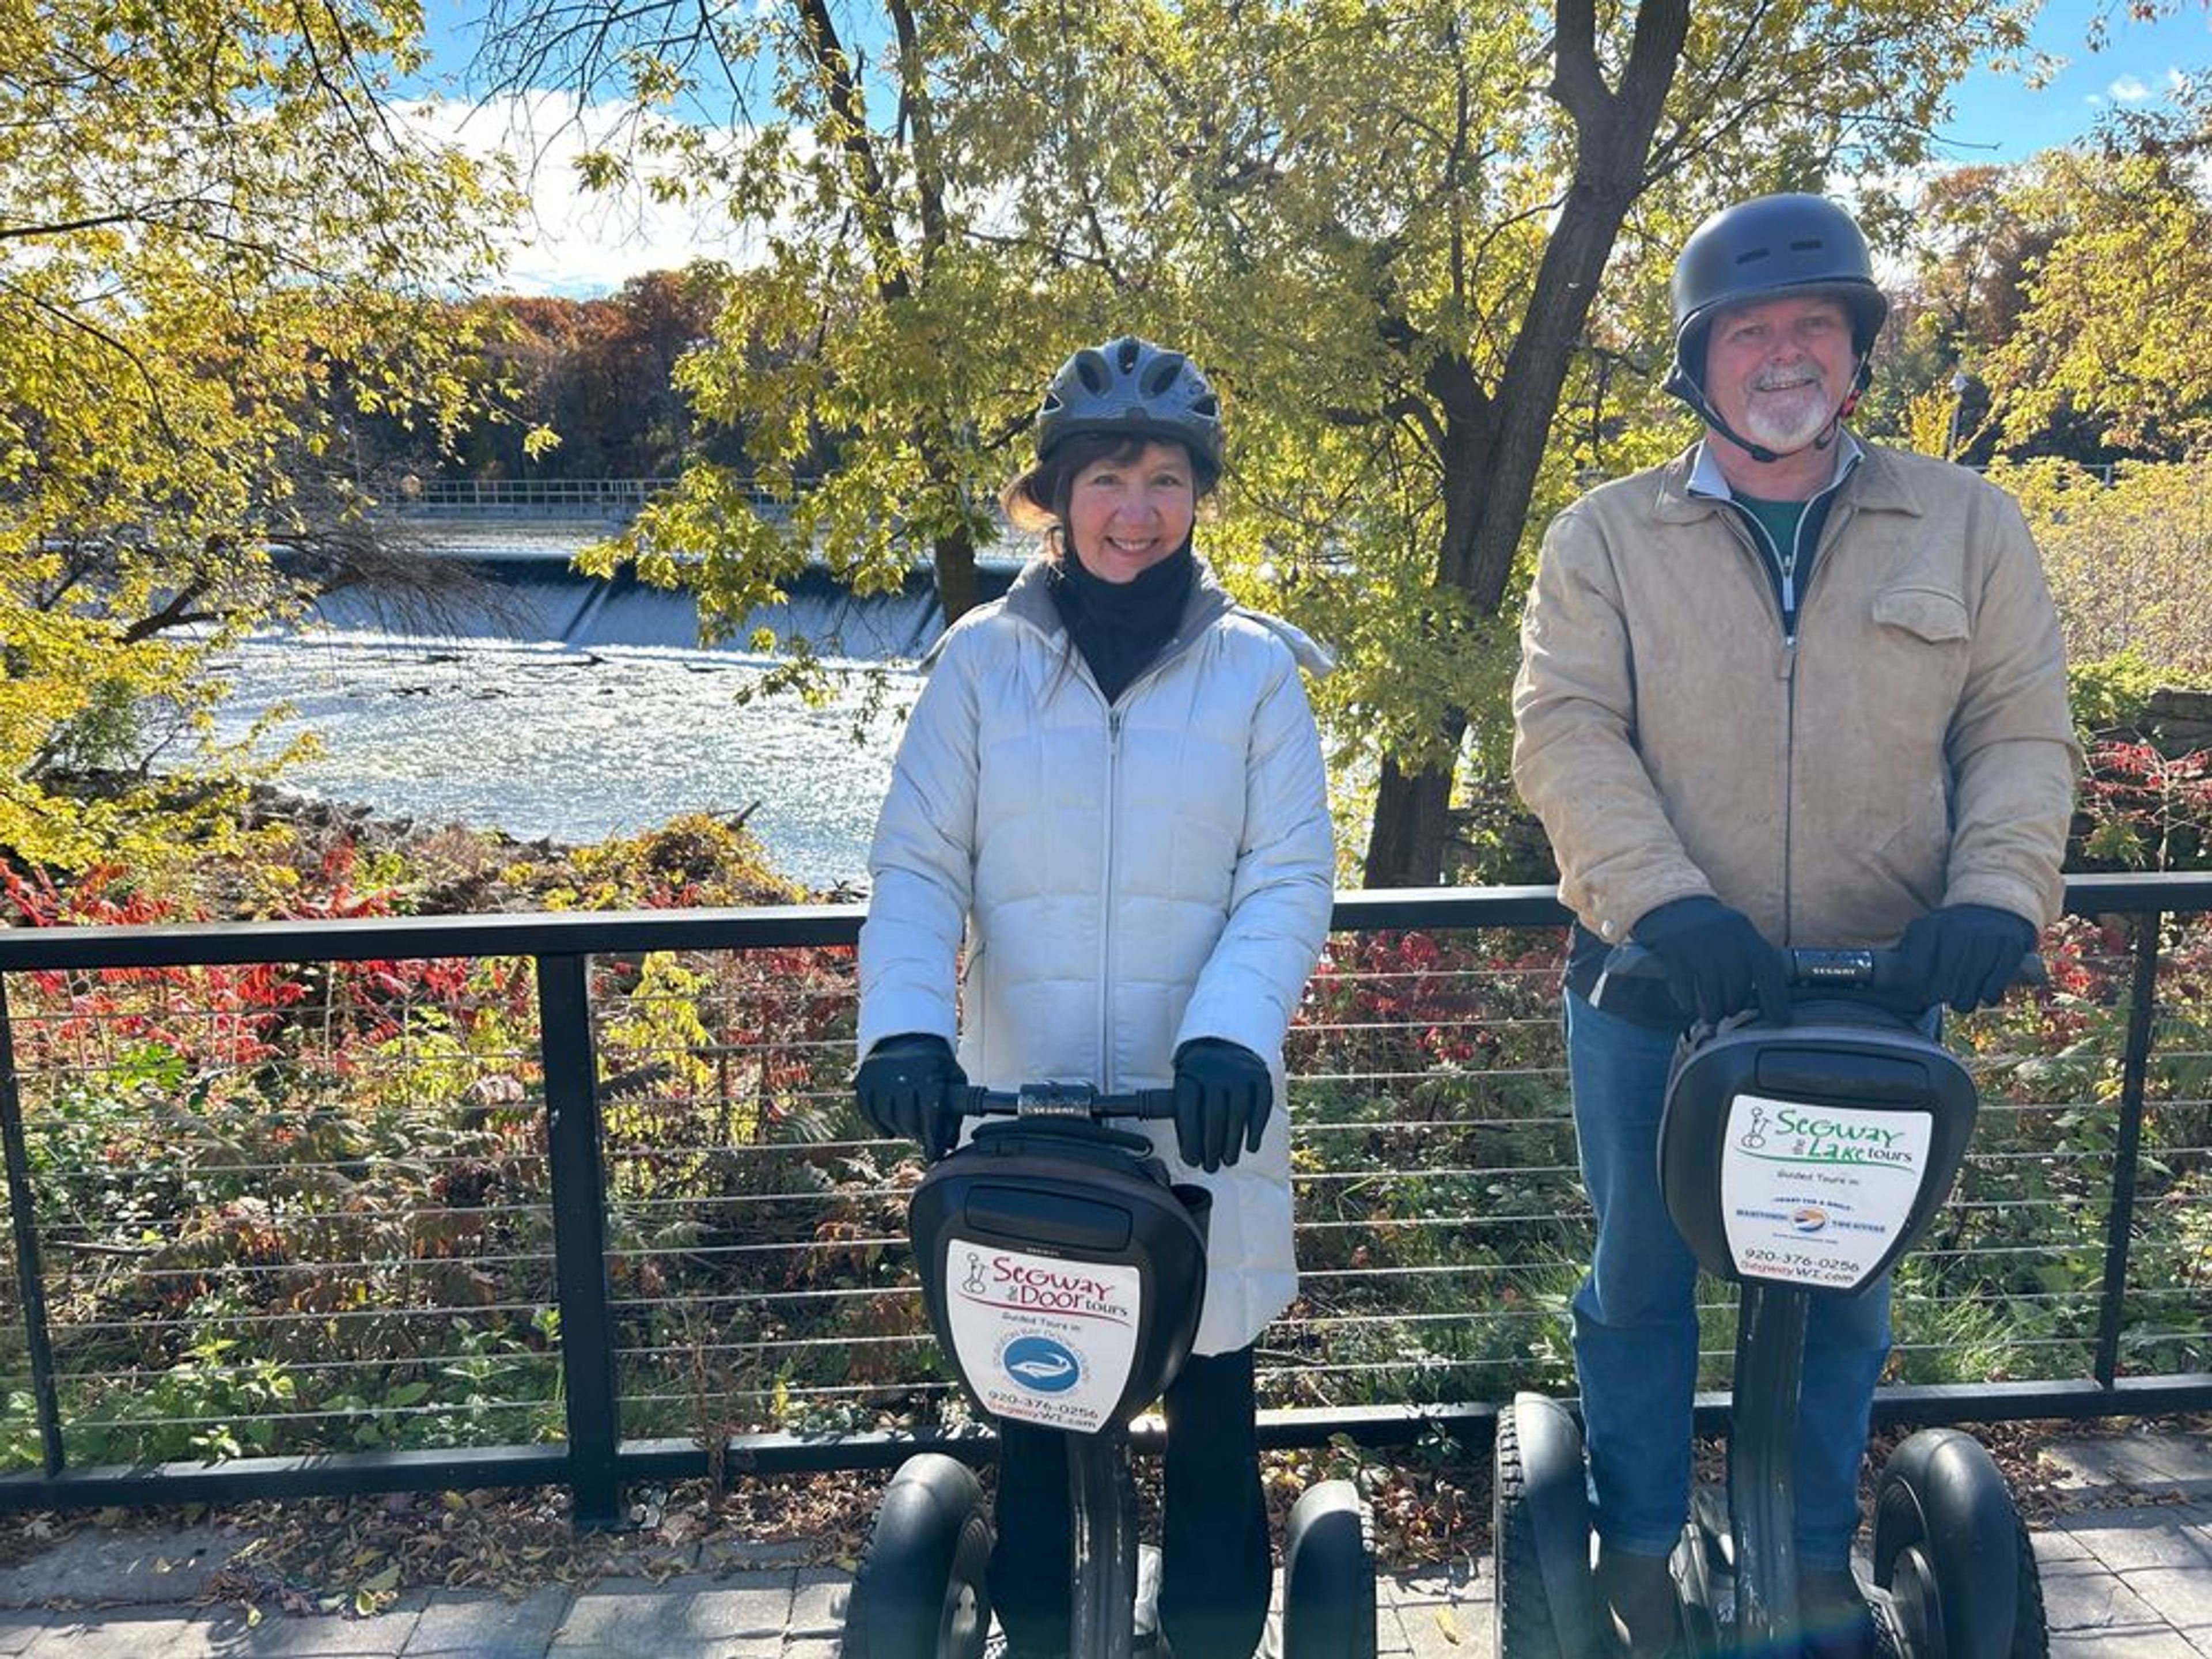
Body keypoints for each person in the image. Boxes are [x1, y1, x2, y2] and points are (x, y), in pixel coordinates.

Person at [1510, 194, 2079, 1659]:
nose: (1784, 356)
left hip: (1878, 991)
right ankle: (1639, 1548)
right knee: (1642, 1279)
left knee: (1841, 1287)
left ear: (1856, 350)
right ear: (1698, 365)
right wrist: (1664, 902)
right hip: (1657, 989)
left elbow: (2019, 735)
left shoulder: (1966, 523)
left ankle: (1812, 1568)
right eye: (1749, 333)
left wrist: (1997, 899)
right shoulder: (1608, 538)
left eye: (1812, 327)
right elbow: (1566, 734)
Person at [854, 335, 1336, 1659]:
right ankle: (1042, 1633)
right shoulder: (979, 665)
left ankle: (1211, 1637)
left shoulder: (1256, 672)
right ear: (1057, 494)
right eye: (1110, 476)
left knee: (1217, 1401)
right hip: (1031, 1105)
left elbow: (1288, 875)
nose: (1138, 509)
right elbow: (918, 864)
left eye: (1168, 478)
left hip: (1204, 1116)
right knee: (1038, 1393)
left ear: (1201, 496)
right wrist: (907, 1024)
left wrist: (1234, 1030)